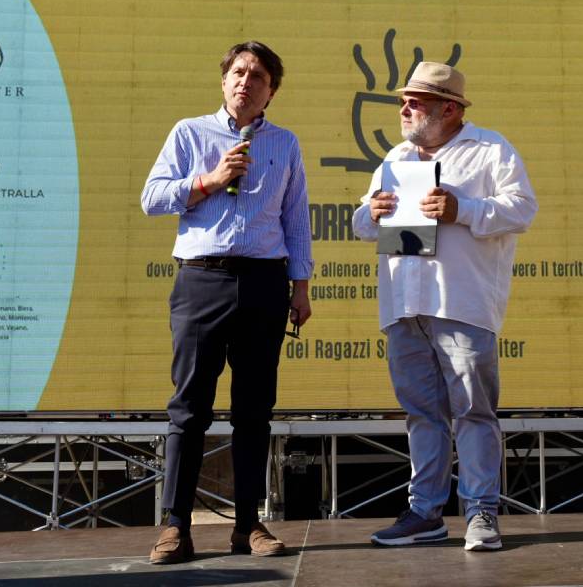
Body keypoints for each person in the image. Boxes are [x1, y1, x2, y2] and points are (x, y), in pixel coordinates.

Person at [352, 62, 537, 551]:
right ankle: (425, 514)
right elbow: (361, 225)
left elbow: (523, 208)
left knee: (473, 412)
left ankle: (481, 512)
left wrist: (463, 209)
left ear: (450, 109)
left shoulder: (490, 149)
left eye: (415, 102)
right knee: (421, 414)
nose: (404, 109)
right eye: (403, 102)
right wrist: (370, 212)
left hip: (461, 304)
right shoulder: (395, 157)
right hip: (403, 305)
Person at [141, 41, 313, 564]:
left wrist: (301, 287)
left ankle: (247, 525)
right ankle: (175, 526)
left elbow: (295, 219)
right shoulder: (189, 133)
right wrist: (209, 181)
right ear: (223, 81)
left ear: (271, 91)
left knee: (254, 412)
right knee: (189, 409)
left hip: (264, 282)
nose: (245, 82)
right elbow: (152, 198)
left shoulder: (284, 143)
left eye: (258, 76)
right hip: (203, 279)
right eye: (238, 72)